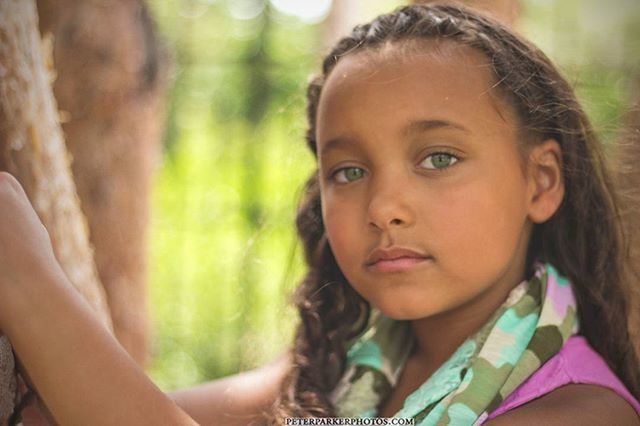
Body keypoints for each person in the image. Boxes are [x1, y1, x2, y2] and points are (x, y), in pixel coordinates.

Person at [0, 3, 639, 425]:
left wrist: (28, 278)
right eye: (349, 172)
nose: (384, 207)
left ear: (541, 181)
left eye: (438, 158)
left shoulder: (582, 411)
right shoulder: (350, 368)